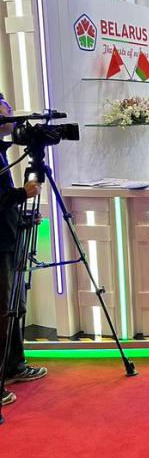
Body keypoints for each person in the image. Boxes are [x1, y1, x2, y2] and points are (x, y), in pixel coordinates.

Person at [0, 95, 47, 407]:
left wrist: (23, 214)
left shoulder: (2, 152)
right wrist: (22, 194)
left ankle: (14, 365)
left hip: (9, 234)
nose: (10, 113)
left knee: (12, 304)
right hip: (2, 242)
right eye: (5, 108)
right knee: (3, 308)